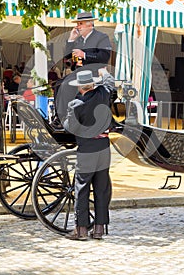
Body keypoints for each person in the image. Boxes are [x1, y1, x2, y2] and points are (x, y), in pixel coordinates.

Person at [63, 68, 115, 241]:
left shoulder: (76, 105)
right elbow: (109, 82)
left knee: (82, 188)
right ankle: (99, 229)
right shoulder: (103, 94)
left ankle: (81, 230)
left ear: (80, 88)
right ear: (92, 84)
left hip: (87, 150)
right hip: (104, 147)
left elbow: (71, 127)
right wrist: (104, 72)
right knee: (101, 189)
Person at [54, 11, 112, 127]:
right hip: (78, 72)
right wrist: (71, 40)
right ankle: (60, 115)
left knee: (65, 85)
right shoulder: (79, 39)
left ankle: (66, 117)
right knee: (58, 85)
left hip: (94, 72)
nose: (77, 26)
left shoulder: (101, 37)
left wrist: (84, 55)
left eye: (80, 24)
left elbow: (104, 56)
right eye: (78, 24)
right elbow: (67, 56)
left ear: (90, 25)